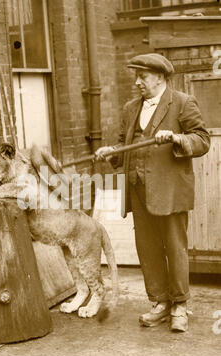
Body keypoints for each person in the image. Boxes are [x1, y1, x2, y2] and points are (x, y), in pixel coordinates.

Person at [95, 53, 210, 332]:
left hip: (169, 191)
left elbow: (202, 139)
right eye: (136, 76)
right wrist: (111, 154)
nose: (137, 82)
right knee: (147, 249)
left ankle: (180, 305)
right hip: (138, 189)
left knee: (174, 247)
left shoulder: (182, 103)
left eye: (142, 76)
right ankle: (159, 302)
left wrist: (176, 137)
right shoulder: (130, 108)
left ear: (159, 77)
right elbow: (125, 145)